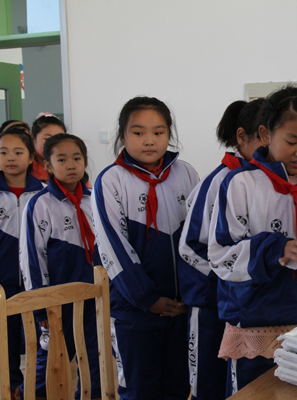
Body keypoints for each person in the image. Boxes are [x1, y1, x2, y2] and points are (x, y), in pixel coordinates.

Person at [207, 86, 297, 396]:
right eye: (292, 141)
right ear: (266, 134)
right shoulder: (240, 184)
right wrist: (276, 248)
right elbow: (220, 257)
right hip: (257, 322)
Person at [92, 96, 199, 399]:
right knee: (140, 389)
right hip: (134, 312)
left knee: (178, 387)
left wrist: (192, 293)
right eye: (138, 132)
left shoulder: (186, 174)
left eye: (158, 132)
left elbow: (198, 236)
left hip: (181, 308)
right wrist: (147, 299)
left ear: (169, 134)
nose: (149, 140)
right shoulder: (111, 180)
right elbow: (113, 247)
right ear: (122, 136)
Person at [178, 98, 264, 400]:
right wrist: (230, 279)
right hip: (211, 302)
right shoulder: (219, 180)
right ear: (242, 137)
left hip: (245, 305)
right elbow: (190, 247)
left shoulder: (264, 179)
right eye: (264, 138)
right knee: (208, 382)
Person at [20, 133, 101, 400]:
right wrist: (40, 304)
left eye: (77, 158)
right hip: (57, 300)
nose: (71, 165)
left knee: (96, 360)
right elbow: (32, 257)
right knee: (52, 361)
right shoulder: (40, 204)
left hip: (93, 296)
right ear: (48, 165)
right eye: (62, 159)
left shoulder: (94, 199)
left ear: (85, 161)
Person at [0, 128, 46, 400]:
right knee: (4, 338)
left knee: (37, 337)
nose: (10, 158)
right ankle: (11, 387)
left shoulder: (43, 194)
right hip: (1, 282)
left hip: (36, 282)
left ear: (31, 157)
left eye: (18, 152)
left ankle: (35, 385)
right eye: (4, 152)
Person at [0, 114, 66, 183]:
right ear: (33, 138)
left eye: (60, 139)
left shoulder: (67, 167)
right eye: (47, 138)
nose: (55, 144)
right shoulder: (17, 166)